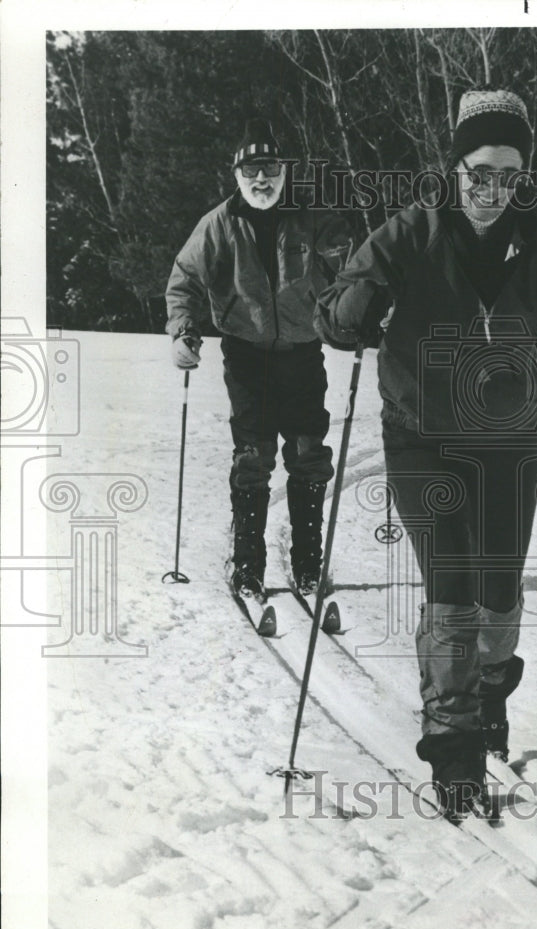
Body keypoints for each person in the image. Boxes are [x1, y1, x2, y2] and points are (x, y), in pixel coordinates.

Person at [315, 89, 537, 818]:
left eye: (509, 177)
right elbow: (337, 318)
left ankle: (485, 692)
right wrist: (354, 308)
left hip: (507, 439)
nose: (492, 190)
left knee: (499, 594)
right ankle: (452, 746)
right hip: (421, 437)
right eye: (480, 172)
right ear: (454, 168)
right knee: (451, 582)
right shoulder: (407, 235)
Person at [166, 118, 352, 598]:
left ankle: (309, 563)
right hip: (246, 357)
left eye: (269, 168)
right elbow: (184, 278)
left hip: (303, 352)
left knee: (309, 454)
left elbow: (353, 273)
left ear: (284, 171)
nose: (261, 179)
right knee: (253, 456)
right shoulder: (219, 224)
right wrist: (183, 332)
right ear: (237, 175)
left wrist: (370, 311)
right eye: (251, 170)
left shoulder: (315, 218)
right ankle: (247, 565)